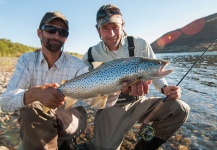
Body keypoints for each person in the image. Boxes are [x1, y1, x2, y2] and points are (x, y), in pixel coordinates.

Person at [82, 4, 190, 150]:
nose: (112, 34)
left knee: (179, 109)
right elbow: (86, 93)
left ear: (122, 25)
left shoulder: (140, 44)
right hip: (109, 108)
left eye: (115, 27)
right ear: (98, 30)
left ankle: (142, 147)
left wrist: (165, 89)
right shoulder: (90, 56)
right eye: (105, 28)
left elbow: (155, 74)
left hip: (138, 103)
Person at [2, 12, 89, 150]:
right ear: (39, 33)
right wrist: (34, 94)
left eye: (62, 32)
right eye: (50, 30)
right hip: (34, 118)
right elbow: (5, 102)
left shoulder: (78, 66)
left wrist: (116, 87)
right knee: (31, 109)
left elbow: (95, 99)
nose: (56, 35)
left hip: (70, 115)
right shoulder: (26, 61)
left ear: (66, 38)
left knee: (34, 113)